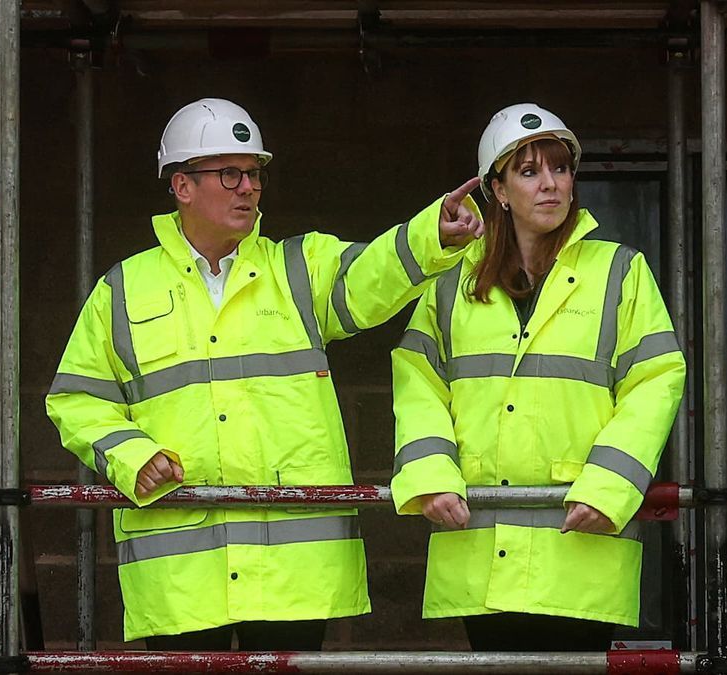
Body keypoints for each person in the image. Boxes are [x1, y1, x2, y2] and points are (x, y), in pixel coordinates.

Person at [46, 98, 482, 650]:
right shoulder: (123, 289)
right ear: (182, 186)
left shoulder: (299, 270)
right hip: (182, 575)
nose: (247, 187)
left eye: (253, 173)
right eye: (229, 173)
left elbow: (370, 275)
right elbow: (76, 399)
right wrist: (131, 456)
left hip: (292, 574)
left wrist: (433, 236)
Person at [390, 103, 685, 651]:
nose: (550, 184)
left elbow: (656, 380)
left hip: (579, 535)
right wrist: (429, 471)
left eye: (560, 168)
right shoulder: (453, 281)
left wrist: (612, 486)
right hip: (480, 545)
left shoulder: (620, 272)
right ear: (497, 190)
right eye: (529, 171)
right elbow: (418, 379)